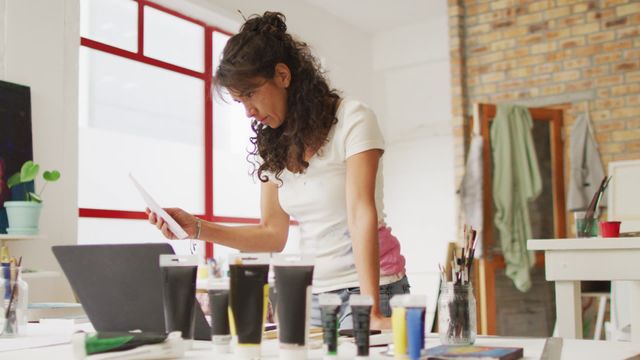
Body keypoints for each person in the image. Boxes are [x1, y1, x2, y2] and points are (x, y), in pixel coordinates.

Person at [147, 11, 408, 329]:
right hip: (313, 293)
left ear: (283, 75)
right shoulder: (273, 146)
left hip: (372, 289)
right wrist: (198, 228)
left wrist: (372, 310)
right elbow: (272, 234)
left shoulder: (353, 119)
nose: (248, 111)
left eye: (251, 94)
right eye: (239, 101)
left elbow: (360, 213)